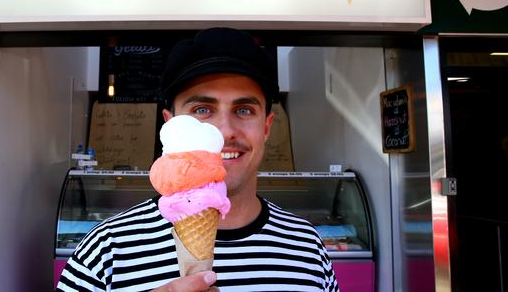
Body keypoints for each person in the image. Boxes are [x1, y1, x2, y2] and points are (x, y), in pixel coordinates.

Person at [57, 28, 339, 292]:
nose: (225, 131)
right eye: (202, 109)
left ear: (266, 127)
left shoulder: (306, 246)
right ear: (170, 126)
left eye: (244, 110)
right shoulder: (106, 249)